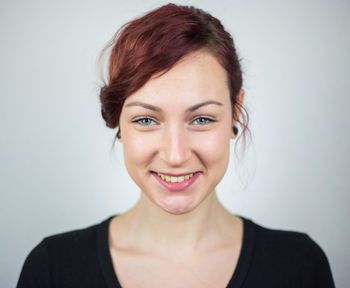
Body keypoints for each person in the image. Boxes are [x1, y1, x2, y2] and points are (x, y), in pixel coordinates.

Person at [16, 3, 335, 288]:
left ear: (236, 111)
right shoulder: (52, 269)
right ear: (119, 124)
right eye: (145, 120)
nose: (176, 155)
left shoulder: (300, 267)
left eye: (201, 119)